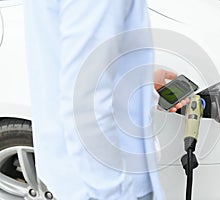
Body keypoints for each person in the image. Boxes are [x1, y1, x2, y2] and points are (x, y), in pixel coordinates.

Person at [24, 1, 187, 199]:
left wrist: (141, 84)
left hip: (73, 177)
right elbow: (85, 104)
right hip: (110, 186)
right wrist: (113, 193)